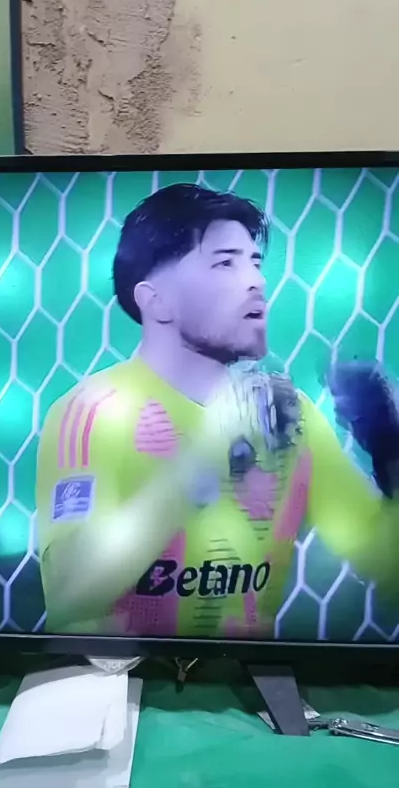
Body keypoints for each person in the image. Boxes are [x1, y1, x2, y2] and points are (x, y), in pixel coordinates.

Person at [35, 183, 399, 638]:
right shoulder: (93, 411)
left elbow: (386, 566)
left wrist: (391, 451)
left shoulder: (289, 414)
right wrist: (205, 455)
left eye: (255, 262)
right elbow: (69, 595)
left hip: (251, 677)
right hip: (129, 678)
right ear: (155, 300)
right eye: (225, 262)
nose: (256, 281)